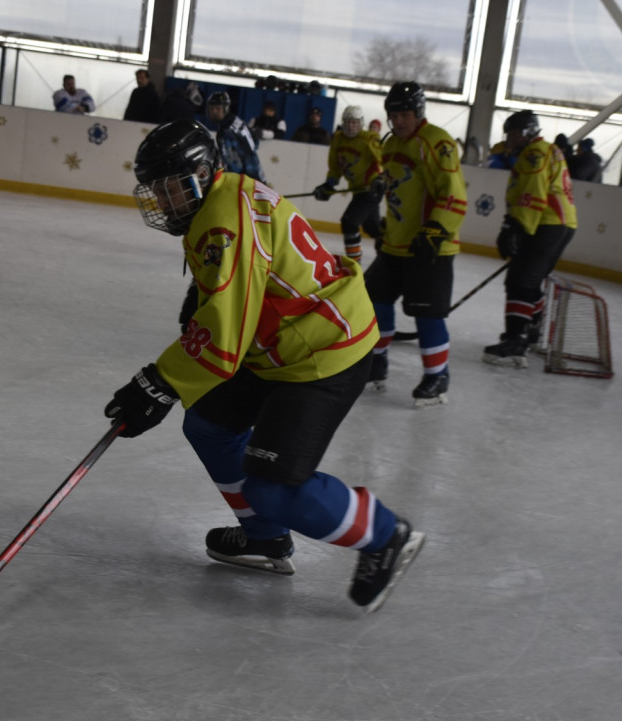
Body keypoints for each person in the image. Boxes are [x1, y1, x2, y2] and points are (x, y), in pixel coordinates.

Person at [106, 118, 425, 613]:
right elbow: (249, 281)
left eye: (172, 189)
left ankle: (387, 536)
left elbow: (225, 335)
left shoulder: (220, 220)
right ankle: (265, 539)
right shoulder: (222, 195)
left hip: (323, 353)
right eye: (158, 191)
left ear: (202, 173)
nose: (164, 202)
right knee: (209, 425)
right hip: (281, 344)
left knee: (273, 488)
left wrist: (158, 383)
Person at [361, 82, 467, 406]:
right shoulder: (392, 143)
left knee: (428, 316)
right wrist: (384, 225)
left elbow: (454, 194)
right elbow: (400, 192)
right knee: (373, 303)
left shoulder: (436, 142)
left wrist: (436, 230)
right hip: (395, 246)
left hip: (430, 248)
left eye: (405, 114)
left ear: (418, 112)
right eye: (394, 115)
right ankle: (376, 364)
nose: (399, 121)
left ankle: (438, 378)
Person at [483, 109, 577, 367]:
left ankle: (515, 339)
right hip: (556, 224)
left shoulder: (534, 153)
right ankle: (530, 333)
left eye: (513, 133)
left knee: (520, 280)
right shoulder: (544, 149)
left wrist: (515, 226)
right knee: (531, 280)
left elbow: (533, 191)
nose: (509, 139)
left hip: (546, 224)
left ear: (526, 132)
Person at [313, 105, 385, 263]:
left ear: (361, 123)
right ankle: (388, 251)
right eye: (347, 122)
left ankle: (355, 264)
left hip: (371, 188)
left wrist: (381, 178)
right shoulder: (338, 138)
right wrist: (329, 184)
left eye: (354, 122)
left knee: (349, 222)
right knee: (372, 227)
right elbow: (335, 166)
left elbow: (383, 159)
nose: (350, 126)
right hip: (358, 189)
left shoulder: (369, 139)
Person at [205, 91, 266, 184]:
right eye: (212, 109)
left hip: (247, 182)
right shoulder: (230, 124)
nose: (214, 112)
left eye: (218, 108)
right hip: (248, 178)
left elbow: (238, 160)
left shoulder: (230, 129)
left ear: (225, 108)